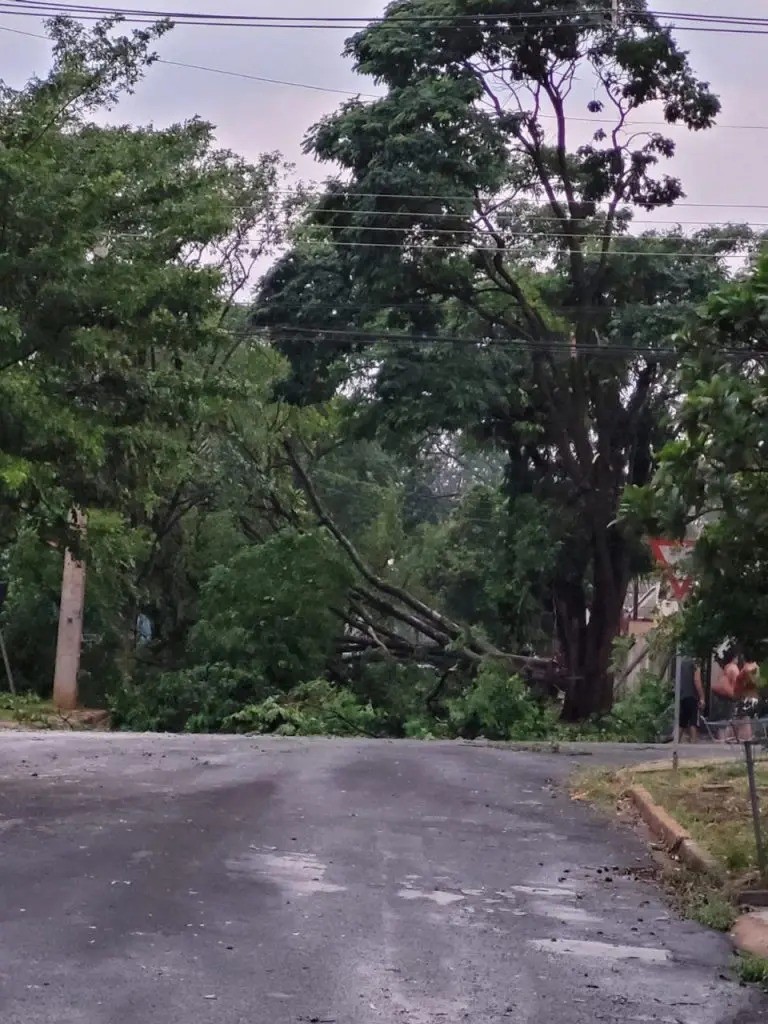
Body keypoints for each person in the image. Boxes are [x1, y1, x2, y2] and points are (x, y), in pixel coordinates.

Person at [712, 648, 759, 740]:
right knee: (742, 719)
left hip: (726, 697)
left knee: (729, 720)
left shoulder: (727, 668)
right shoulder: (735, 668)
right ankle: (744, 739)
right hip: (737, 697)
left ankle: (726, 740)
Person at [678, 656, 704, 742]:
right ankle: (693, 742)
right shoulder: (695, 663)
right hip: (692, 696)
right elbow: (697, 680)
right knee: (693, 721)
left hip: (682, 696)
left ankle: (676, 742)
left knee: (683, 721)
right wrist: (702, 697)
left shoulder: (681, 662)